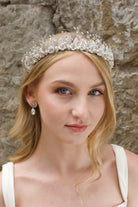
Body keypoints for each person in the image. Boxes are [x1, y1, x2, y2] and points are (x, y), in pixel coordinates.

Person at [0, 32, 137, 207]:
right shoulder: (7, 192)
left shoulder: (129, 172)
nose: (81, 112)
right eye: (63, 91)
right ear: (31, 94)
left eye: (95, 92)